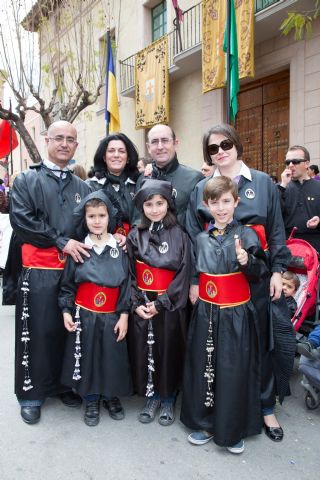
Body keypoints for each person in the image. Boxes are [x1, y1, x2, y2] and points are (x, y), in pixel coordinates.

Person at [186, 123, 294, 442]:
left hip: (255, 277)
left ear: (237, 144)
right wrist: (194, 281)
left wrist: (277, 270)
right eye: (213, 148)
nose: (220, 152)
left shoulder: (261, 183)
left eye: (225, 145)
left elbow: (276, 233)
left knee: (259, 343)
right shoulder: (200, 188)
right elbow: (194, 240)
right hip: (216, 286)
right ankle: (218, 409)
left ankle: (265, 406)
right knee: (217, 348)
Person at [10, 120, 92, 424]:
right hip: (39, 272)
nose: (64, 144)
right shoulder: (26, 181)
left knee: (67, 331)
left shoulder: (83, 187)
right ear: (47, 140)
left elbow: (89, 226)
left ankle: (61, 385)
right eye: (59, 138)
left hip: (72, 272)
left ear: (76, 145)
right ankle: (31, 393)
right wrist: (61, 241)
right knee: (37, 333)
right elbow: (23, 221)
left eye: (71, 139)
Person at [181, 176, 268, 453]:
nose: (221, 208)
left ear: (236, 202)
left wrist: (248, 261)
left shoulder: (248, 235)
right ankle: (205, 422)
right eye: (215, 202)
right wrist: (195, 283)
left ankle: (232, 428)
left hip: (236, 313)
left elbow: (260, 273)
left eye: (226, 202)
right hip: (206, 310)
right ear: (206, 205)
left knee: (232, 369)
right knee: (205, 365)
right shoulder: (201, 238)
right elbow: (196, 268)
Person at [59, 190, 132, 426]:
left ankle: (110, 396)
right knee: (87, 357)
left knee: (111, 357)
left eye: (102, 215)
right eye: (92, 216)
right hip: (85, 315)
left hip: (111, 314)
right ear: (85, 218)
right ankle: (91, 398)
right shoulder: (80, 249)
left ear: (110, 217)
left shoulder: (119, 249)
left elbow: (126, 285)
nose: (97, 221)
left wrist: (124, 315)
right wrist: (66, 311)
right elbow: (68, 284)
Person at [126, 179, 190, 426]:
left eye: (159, 203)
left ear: (168, 204)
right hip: (143, 302)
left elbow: (183, 273)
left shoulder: (180, 235)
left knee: (169, 351)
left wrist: (162, 302)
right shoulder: (134, 236)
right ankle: (150, 395)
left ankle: (168, 397)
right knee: (145, 350)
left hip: (169, 305)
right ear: (142, 207)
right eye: (149, 204)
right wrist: (136, 303)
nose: (154, 209)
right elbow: (129, 273)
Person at [133, 124, 203, 228]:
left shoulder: (194, 179)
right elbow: (137, 220)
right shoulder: (142, 179)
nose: (160, 147)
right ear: (148, 147)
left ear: (175, 144)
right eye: (155, 142)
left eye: (165, 140)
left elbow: (196, 225)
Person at [87, 133, 140, 236]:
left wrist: (132, 238)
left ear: (128, 158)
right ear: (104, 157)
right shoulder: (90, 186)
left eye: (121, 151)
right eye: (111, 151)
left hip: (137, 244)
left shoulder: (139, 184)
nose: (116, 155)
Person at [279, 146, 320, 251]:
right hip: (287, 245)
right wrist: (283, 186)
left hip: (314, 246)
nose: (291, 165)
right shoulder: (281, 188)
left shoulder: (318, 187)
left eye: (295, 161)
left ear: (306, 164)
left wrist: (319, 221)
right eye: (288, 162)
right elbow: (273, 214)